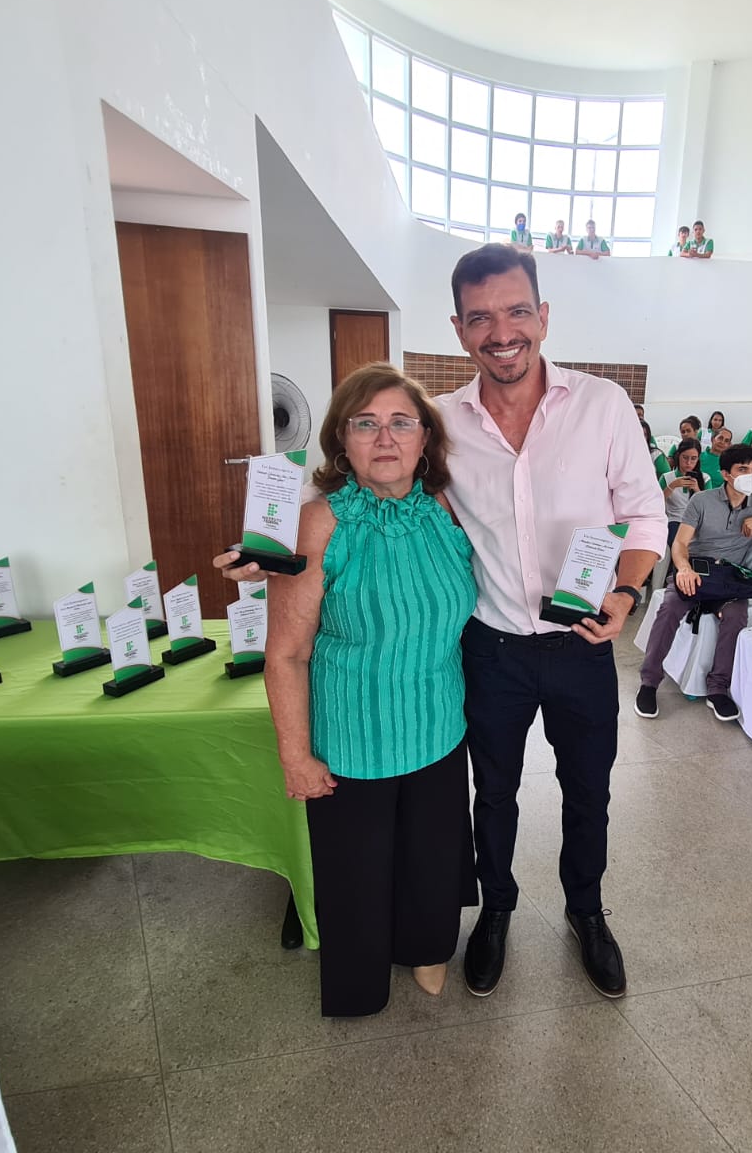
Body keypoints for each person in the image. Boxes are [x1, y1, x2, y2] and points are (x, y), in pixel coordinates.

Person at [438, 244, 665, 1000]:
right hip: (491, 647)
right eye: (480, 318)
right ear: (459, 329)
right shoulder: (442, 421)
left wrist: (625, 594)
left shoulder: (602, 405)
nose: (501, 332)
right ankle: (497, 910)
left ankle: (586, 911)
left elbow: (643, 514)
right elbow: (374, 480)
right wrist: (279, 544)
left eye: (515, 311)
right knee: (494, 793)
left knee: (588, 791)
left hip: (581, 644)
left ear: (542, 315)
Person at [214, 364, 476, 1018]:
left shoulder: (445, 510)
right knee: (358, 873)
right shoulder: (318, 523)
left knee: (430, 858)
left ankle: (427, 947)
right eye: (366, 424)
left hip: (439, 725)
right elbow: (287, 652)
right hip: (352, 738)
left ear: (425, 438)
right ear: (341, 440)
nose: (385, 438)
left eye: (401, 423)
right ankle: (360, 983)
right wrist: (295, 756)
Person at [635, 445, 752, 722]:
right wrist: (684, 568)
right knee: (671, 607)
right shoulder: (702, 501)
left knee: (736, 616)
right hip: (697, 570)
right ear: (726, 474)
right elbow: (680, 542)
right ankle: (649, 683)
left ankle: (718, 688)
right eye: (742, 469)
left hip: (730, 578)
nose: (751, 475)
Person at [661, 439, 709, 546]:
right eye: (685, 457)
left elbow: (708, 507)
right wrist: (672, 486)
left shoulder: (705, 478)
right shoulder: (667, 477)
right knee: (677, 542)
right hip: (674, 520)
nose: (688, 462)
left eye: (693, 458)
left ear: (698, 458)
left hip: (697, 521)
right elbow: (657, 502)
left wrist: (697, 490)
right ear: (678, 456)